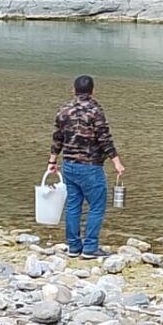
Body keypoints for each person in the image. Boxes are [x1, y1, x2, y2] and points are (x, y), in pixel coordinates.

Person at [47, 75, 125, 259]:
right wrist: (116, 161)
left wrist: (52, 162)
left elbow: (57, 138)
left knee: (73, 205)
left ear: (73, 90)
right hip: (90, 166)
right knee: (96, 206)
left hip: (69, 165)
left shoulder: (64, 110)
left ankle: (74, 247)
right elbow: (104, 139)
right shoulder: (95, 111)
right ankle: (90, 247)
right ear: (93, 91)